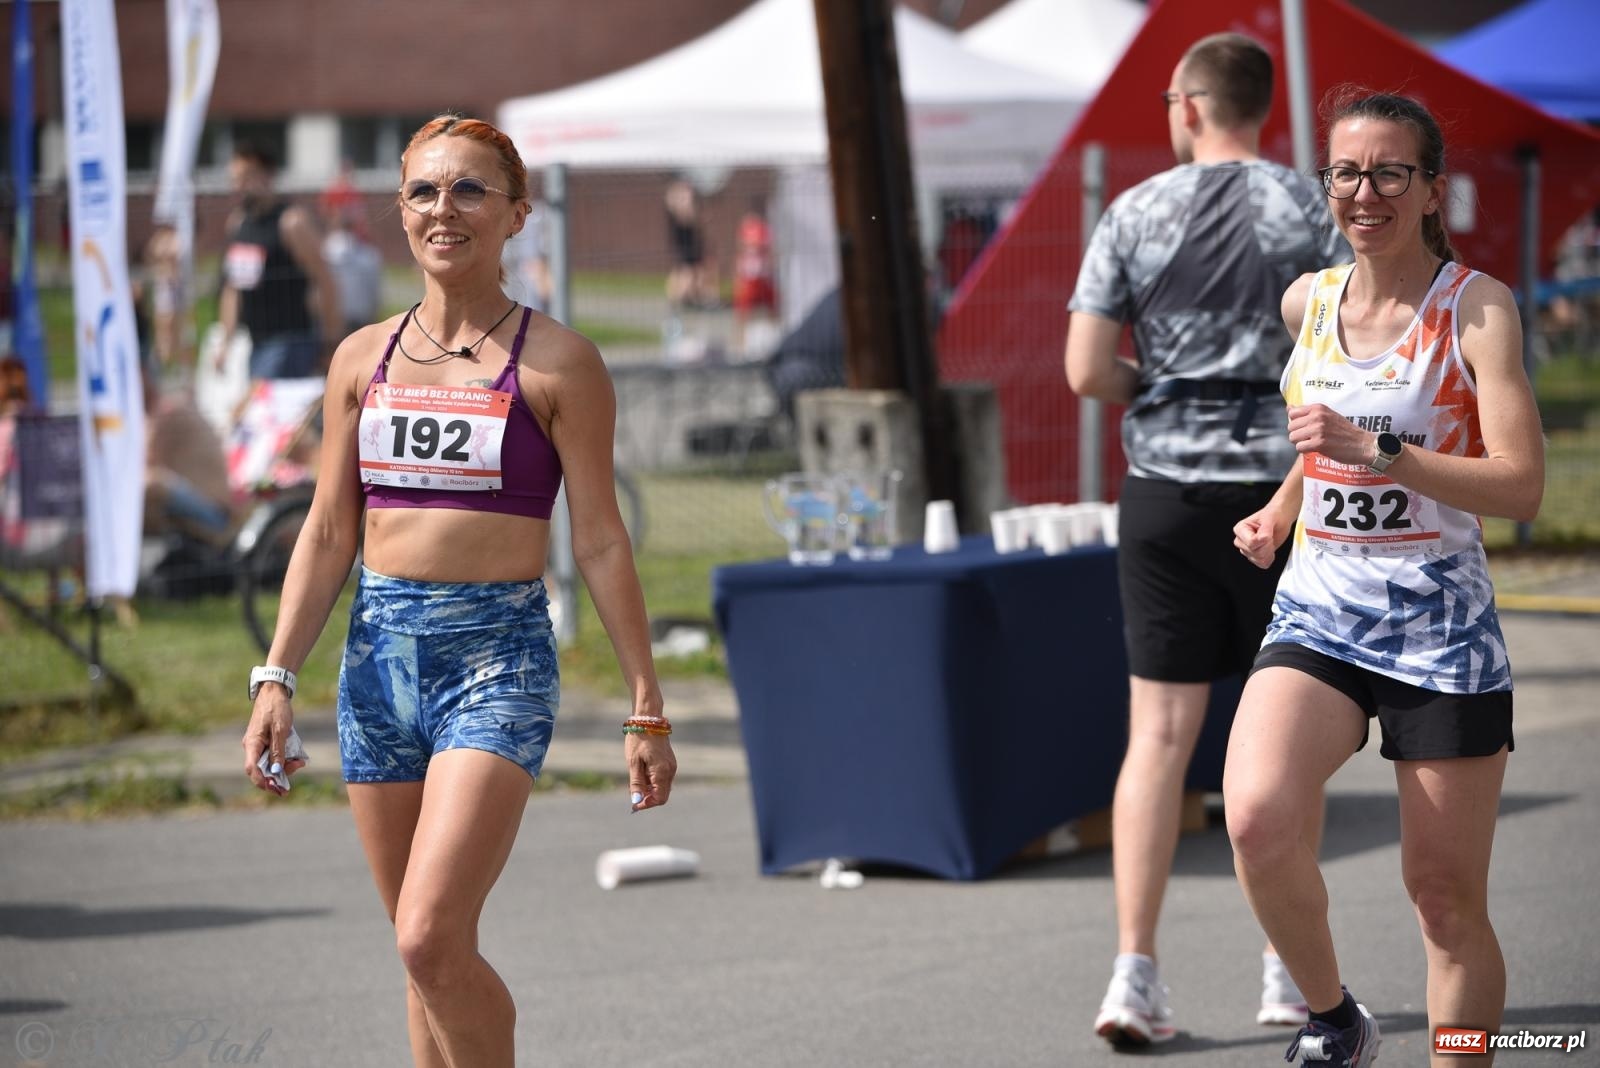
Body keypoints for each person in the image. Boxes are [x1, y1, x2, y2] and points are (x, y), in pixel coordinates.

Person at [240, 114, 677, 1067]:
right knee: (421, 956)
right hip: (377, 662)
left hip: (495, 661)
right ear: (400, 212)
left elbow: (600, 539)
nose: (447, 208)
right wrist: (276, 674)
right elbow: (324, 532)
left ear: (517, 214)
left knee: (429, 935)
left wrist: (646, 703)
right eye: (426, 191)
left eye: (471, 189)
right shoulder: (361, 358)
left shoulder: (561, 363)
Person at [1225, 90, 1544, 1067]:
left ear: (1430, 188)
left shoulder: (1474, 308)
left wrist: (1387, 454)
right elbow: (1323, 434)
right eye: (1346, 173)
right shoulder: (1307, 301)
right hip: (1320, 610)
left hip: (1438, 632)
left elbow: (1520, 484)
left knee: (1442, 902)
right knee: (1256, 817)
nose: (1365, 192)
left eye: (1388, 172)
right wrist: (1284, 507)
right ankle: (1333, 1019)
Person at [1064, 33, 1349, 1048]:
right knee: (1284, 747)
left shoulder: (1132, 210)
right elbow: (1349, 348)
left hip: (1167, 492)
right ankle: (1287, 969)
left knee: (1159, 739)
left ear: (1187, 105)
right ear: (1262, 108)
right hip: (1289, 487)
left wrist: (1161, 393)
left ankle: (1132, 975)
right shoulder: (1312, 208)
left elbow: (1084, 366)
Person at [218, 141, 342, 382]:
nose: (237, 187)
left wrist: (331, 342)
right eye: (234, 179)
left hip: (292, 342)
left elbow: (325, 282)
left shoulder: (292, 222)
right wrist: (226, 341)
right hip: (256, 342)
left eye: (245, 178)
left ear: (267, 176)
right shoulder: (237, 224)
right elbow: (233, 288)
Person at [732, 198, 778, 357]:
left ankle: (774, 341)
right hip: (749, 276)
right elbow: (741, 249)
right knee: (744, 312)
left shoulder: (766, 230)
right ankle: (741, 347)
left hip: (763, 275)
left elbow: (768, 251)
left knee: (772, 307)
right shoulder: (745, 229)